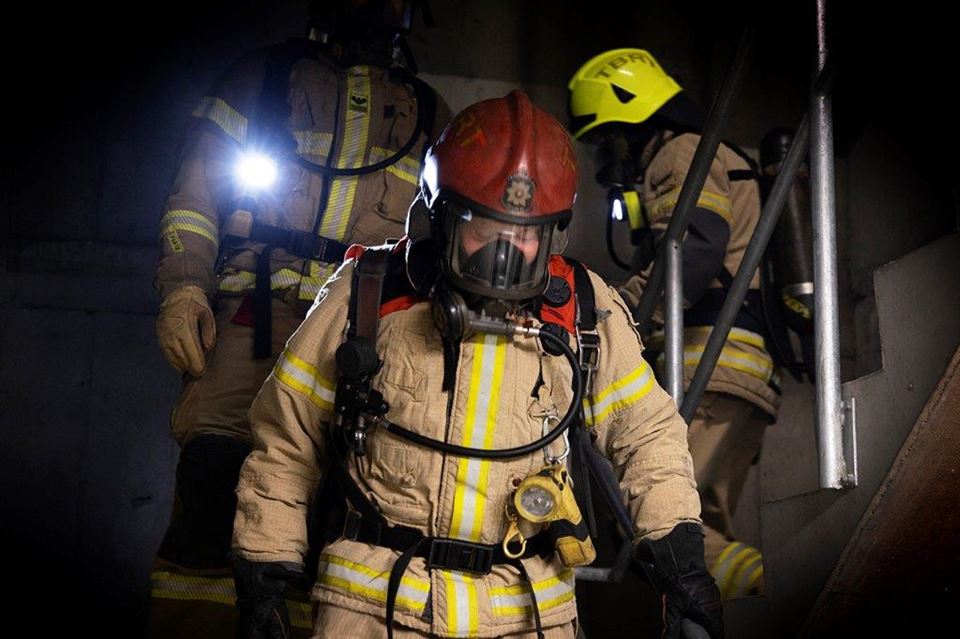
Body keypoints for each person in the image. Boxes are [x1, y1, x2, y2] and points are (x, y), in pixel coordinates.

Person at [230, 90, 723, 639]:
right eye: (484, 231)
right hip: (373, 611)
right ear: (439, 219)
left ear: (554, 232)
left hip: (525, 615)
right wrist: (264, 572)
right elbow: (285, 441)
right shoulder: (367, 293)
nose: (503, 258)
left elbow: (647, 436)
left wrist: (681, 567)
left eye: (524, 238)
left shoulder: (582, 308)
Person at [149, 2, 451, 635]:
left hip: (364, 330)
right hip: (256, 313)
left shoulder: (428, 112)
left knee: (339, 504)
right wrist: (184, 290)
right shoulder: (262, 78)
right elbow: (195, 194)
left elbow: (449, 238)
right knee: (215, 476)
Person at [568, 48, 780, 598]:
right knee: (701, 525)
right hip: (742, 372)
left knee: (648, 516)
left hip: (710, 364)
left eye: (607, 139)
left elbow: (695, 247)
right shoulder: (696, 152)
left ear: (633, 113)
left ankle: (784, 592)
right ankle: (743, 611)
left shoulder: (682, 150)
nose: (605, 160)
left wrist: (622, 318)